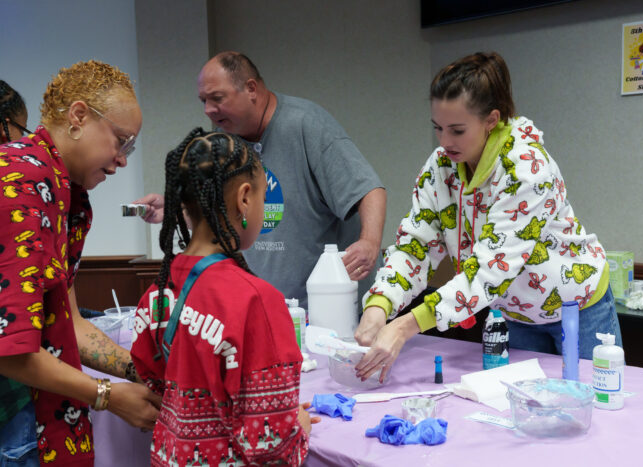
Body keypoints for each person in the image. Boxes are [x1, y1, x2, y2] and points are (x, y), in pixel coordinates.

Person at [355, 52, 621, 382]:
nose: (444, 142)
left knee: (594, 404)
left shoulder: (526, 169)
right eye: (437, 128)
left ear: (491, 120)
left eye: (457, 130)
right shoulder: (440, 168)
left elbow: (491, 270)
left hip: (577, 307)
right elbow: (415, 247)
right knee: (522, 409)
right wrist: (378, 307)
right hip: (516, 313)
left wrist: (405, 325)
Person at [0, 62, 161, 466]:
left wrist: (141, 373)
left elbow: (70, 323)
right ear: (78, 117)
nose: (122, 160)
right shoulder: (20, 182)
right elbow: (11, 349)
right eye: (121, 142)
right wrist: (106, 396)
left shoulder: (62, 191)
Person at [136, 51, 386, 308]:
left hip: (333, 308)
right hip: (268, 306)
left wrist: (369, 243)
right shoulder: (225, 140)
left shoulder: (306, 125)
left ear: (251, 88)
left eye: (217, 98)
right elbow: (221, 213)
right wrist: (178, 210)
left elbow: (369, 190)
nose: (208, 110)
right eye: (203, 101)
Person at [130, 129, 318, 465]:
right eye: (263, 198)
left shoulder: (158, 291)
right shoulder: (256, 301)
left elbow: (151, 381)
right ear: (245, 198)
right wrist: (298, 427)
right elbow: (270, 446)